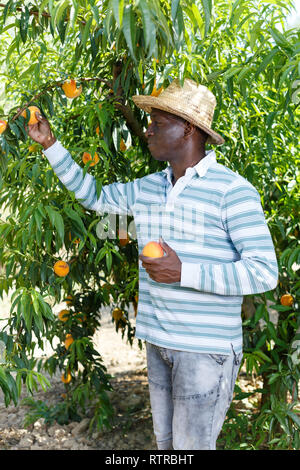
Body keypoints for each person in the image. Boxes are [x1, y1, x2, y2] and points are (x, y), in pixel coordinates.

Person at [27, 78, 278, 450]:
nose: (147, 131)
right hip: (158, 342)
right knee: (167, 446)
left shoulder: (232, 190)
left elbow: (264, 270)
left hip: (204, 349)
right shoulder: (149, 188)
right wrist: (50, 144)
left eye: (157, 124)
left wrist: (184, 272)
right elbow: (94, 196)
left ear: (188, 129)